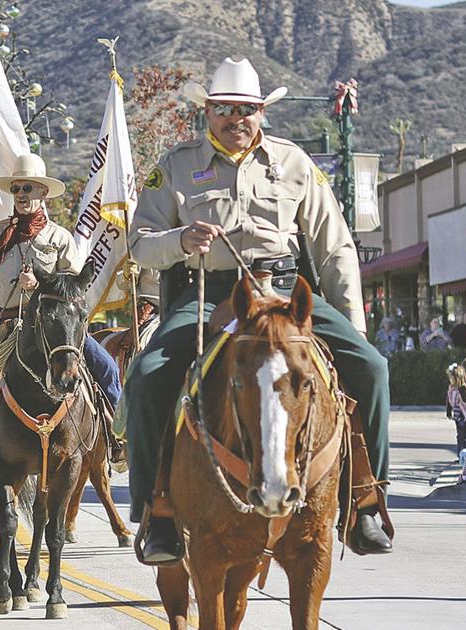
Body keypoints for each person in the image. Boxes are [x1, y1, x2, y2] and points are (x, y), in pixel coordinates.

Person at [120, 57, 394, 563]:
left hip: (285, 293)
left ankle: (366, 502)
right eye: (223, 108)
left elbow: (335, 248)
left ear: (261, 112)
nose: (235, 119)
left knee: (372, 368)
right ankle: (156, 509)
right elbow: (139, 244)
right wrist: (181, 239)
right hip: (209, 295)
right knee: (147, 375)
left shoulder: (295, 164)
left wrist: (354, 326)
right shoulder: (175, 166)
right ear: (207, 111)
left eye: (245, 109)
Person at [0, 152, 123, 480]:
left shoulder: (60, 238)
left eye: (28, 189)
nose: (21, 195)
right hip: (5, 322)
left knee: (105, 366)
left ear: (42, 193)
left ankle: (118, 435)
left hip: (53, 325)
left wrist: (36, 288)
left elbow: (75, 287)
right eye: (17, 189)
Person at [446, 363, 466, 457]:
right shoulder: (452, 388)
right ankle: (461, 456)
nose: (450, 380)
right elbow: (450, 402)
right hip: (460, 416)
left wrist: (458, 389)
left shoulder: (464, 388)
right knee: (461, 436)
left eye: (452, 378)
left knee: (465, 436)